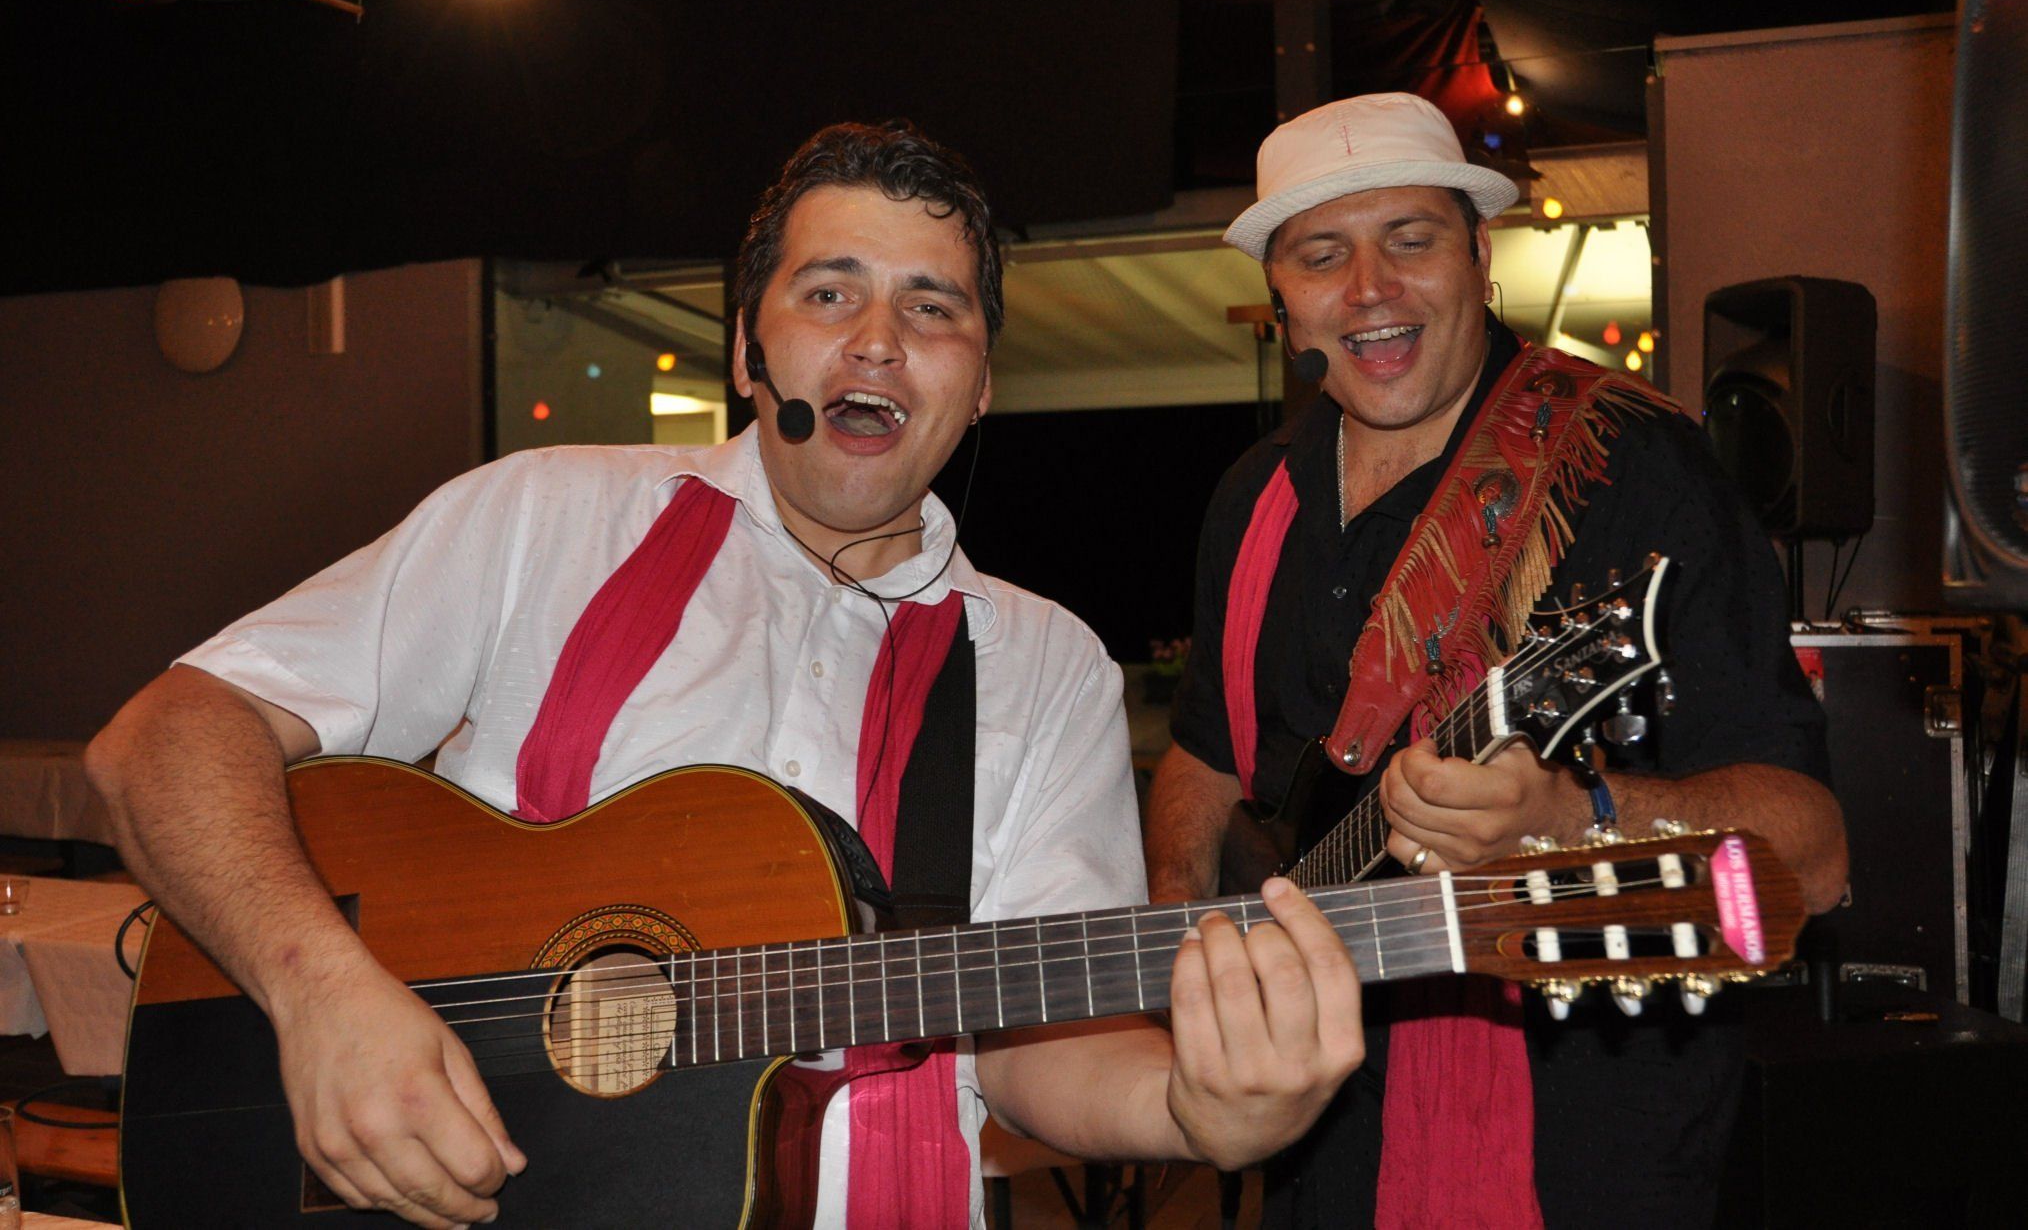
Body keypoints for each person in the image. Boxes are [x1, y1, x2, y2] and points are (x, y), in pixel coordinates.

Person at [86, 122, 1363, 1229]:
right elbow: (163, 736)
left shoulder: (1044, 666)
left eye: (932, 307)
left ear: (980, 385)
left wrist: (1204, 1109)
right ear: (749, 351)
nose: (878, 343)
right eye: (830, 292)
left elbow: (1035, 1050)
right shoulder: (543, 519)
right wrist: (323, 993)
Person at [1144, 93, 1849, 1229]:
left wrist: (1573, 816)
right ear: (1280, 294)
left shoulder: (1639, 468)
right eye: (1322, 255)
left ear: (1480, 253)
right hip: (1312, 1153)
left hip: (1589, 1161)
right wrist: (1186, 943)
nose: (1369, 287)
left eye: (1410, 239)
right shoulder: (1255, 495)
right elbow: (1205, 757)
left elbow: (1810, 855)